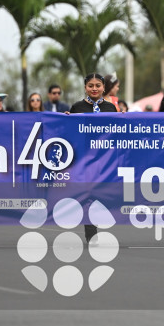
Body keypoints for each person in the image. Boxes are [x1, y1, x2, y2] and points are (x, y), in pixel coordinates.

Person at [68, 74, 118, 243]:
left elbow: (116, 132)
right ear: (85, 88)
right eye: (91, 85)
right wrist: (65, 120)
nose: (94, 89)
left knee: (102, 194)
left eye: (98, 85)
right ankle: (91, 233)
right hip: (84, 158)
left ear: (104, 87)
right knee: (88, 194)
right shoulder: (77, 107)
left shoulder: (111, 108)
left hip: (105, 158)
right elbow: (70, 132)